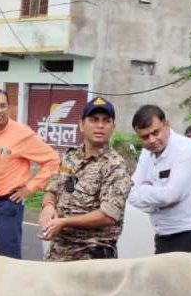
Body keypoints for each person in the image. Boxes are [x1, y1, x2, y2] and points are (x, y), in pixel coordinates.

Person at [39, 97, 132, 260]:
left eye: (106, 121)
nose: (100, 126)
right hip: (59, 252)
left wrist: (64, 222)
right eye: (94, 120)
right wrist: (48, 206)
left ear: (113, 127)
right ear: (81, 125)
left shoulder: (116, 166)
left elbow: (108, 215)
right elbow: (53, 187)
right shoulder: (70, 157)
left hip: (93, 255)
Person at [0, 88, 59, 258]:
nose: (0, 111)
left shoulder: (22, 134)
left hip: (6, 207)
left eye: (3, 106)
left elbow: (53, 160)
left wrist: (29, 188)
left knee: (9, 261)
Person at [127, 105, 191, 256]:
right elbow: (129, 191)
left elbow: (170, 196)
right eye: (145, 137)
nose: (152, 140)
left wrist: (146, 191)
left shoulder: (186, 149)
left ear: (167, 124)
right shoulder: (147, 153)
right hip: (163, 236)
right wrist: (158, 203)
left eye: (155, 132)